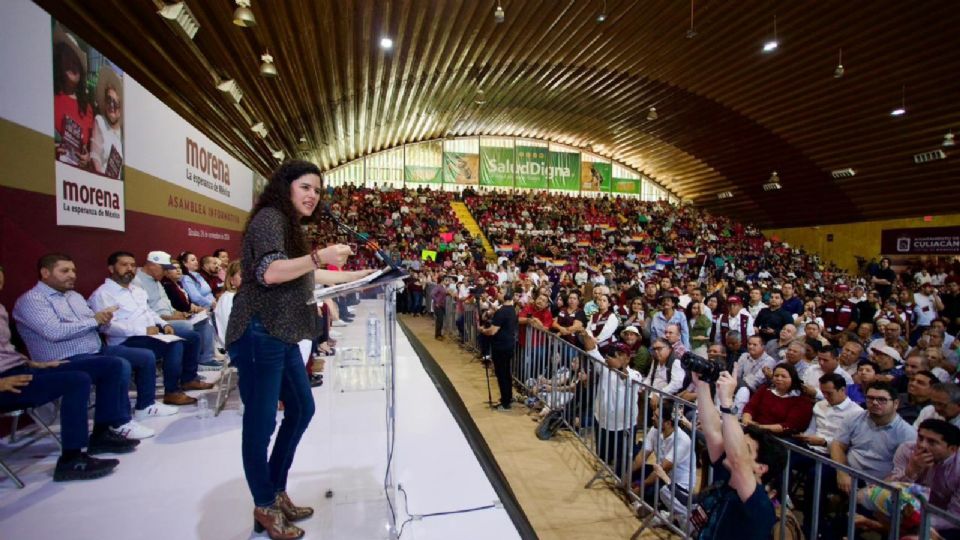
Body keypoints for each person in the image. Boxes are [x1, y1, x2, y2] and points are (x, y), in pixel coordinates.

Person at [225, 160, 373, 539]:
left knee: (303, 408)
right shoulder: (269, 219)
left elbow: (305, 273)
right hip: (259, 332)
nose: (312, 195)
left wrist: (365, 276)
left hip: (281, 334)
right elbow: (271, 273)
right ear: (286, 187)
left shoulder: (288, 226)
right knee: (259, 427)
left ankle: (275, 490)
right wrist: (320, 255)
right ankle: (264, 504)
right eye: (306, 187)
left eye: (318, 190)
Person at [13, 254, 173, 433]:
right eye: (65, 271)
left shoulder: (74, 296)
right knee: (117, 365)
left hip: (95, 350)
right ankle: (119, 422)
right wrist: (95, 321)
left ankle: (146, 406)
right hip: (62, 359)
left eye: (73, 270)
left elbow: (95, 324)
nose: (72, 275)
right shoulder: (32, 300)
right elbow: (54, 332)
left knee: (144, 356)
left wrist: (104, 320)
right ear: (45, 272)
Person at [88, 251, 213, 406]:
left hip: (148, 335)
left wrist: (164, 324)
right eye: (124, 265)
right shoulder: (103, 294)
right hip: (125, 341)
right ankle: (172, 392)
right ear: (111, 268)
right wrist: (142, 330)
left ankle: (187, 379)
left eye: (132, 265)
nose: (130, 268)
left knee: (190, 337)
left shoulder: (136, 290)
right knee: (174, 344)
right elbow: (106, 327)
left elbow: (150, 312)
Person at [689, 368, 785, 539]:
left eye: (743, 447)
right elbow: (713, 431)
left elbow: (738, 461)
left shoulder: (759, 504)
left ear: (761, 468)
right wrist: (702, 385)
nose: (733, 449)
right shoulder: (728, 476)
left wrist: (727, 402)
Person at [135, 251, 218, 368]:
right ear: (151, 265)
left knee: (204, 321)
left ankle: (205, 359)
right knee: (187, 327)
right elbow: (148, 312)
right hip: (156, 323)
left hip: (169, 318)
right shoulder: (137, 281)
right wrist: (173, 318)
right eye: (163, 268)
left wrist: (182, 314)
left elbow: (169, 307)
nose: (165, 272)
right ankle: (185, 368)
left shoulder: (157, 281)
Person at [888, 419, 960, 539]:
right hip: (907, 510)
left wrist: (917, 520)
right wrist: (911, 471)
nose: (922, 445)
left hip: (943, 521)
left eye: (932, 442)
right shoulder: (907, 450)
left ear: (952, 449)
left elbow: (954, 517)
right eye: (920, 438)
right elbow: (887, 488)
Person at [742, 363, 814, 435]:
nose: (779, 379)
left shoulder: (802, 400)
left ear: (792, 379)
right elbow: (750, 407)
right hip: (754, 429)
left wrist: (760, 428)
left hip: (779, 436)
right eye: (776, 376)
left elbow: (790, 425)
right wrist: (747, 420)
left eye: (783, 376)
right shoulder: (765, 389)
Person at [479, 289, 518, 411]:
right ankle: (508, 397)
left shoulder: (502, 312)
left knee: (501, 374)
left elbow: (493, 331)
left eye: (499, 293)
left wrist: (483, 331)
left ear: (504, 296)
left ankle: (505, 402)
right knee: (506, 373)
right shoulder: (512, 310)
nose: (497, 294)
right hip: (509, 345)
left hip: (500, 346)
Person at [214, 260, 242, 348]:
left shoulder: (245, 296)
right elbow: (226, 328)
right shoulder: (228, 298)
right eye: (242, 275)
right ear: (231, 280)